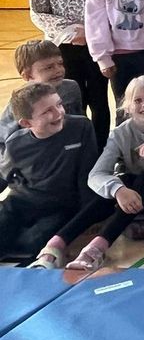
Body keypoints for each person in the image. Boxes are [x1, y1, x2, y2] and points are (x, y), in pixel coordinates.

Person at [30, 75, 144, 272]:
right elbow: (96, 174)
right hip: (136, 190)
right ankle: (55, 245)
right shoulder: (121, 133)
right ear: (128, 107)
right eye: (138, 100)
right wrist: (118, 190)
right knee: (119, 184)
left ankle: (97, 248)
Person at [28, 0, 108, 146]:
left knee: (99, 100)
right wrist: (72, 31)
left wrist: (91, 32)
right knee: (71, 100)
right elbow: (38, 13)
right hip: (63, 52)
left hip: (97, 48)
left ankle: (100, 147)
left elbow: (112, 10)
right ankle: (76, 146)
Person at [0, 84, 98, 264]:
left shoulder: (81, 127)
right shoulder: (15, 144)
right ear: (26, 123)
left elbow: (88, 174)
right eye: (46, 112)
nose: (58, 113)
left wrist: (88, 217)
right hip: (23, 200)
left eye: (59, 105)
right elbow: (4, 175)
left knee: (34, 242)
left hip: (61, 205)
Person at [0, 41, 83, 158]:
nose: (58, 70)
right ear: (27, 76)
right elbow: (3, 139)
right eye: (49, 67)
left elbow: (78, 120)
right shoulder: (21, 101)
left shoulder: (71, 87)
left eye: (60, 64)